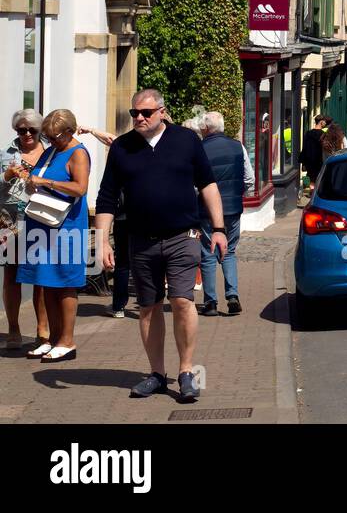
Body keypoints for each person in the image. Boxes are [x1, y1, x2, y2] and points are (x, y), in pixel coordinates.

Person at [94, 89, 227, 403]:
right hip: (141, 242)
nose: (139, 118)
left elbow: (208, 184)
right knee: (148, 308)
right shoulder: (122, 148)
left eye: (146, 113)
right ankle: (156, 373)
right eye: (134, 113)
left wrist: (219, 228)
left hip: (182, 237)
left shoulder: (186, 140)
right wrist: (102, 241)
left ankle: (185, 372)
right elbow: (107, 197)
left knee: (182, 302)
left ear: (162, 112)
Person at [16, 109, 91, 363]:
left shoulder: (78, 153)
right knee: (46, 281)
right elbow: (37, 177)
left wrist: (46, 183)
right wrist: (29, 179)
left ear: (69, 131)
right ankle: (54, 340)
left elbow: (80, 188)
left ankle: (67, 341)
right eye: (47, 137)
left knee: (66, 283)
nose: (50, 141)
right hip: (42, 224)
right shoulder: (52, 151)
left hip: (67, 227)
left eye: (54, 137)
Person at [197, 111, 253, 317]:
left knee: (208, 253)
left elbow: (194, 184)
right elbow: (249, 178)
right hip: (232, 208)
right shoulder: (238, 147)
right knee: (228, 251)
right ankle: (232, 295)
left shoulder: (200, 149)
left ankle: (210, 302)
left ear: (206, 128)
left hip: (207, 211)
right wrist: (238, 194)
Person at [3, 109, 49, 349]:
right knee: (12, 275)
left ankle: (42, 328)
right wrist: (6, 175)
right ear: (16, 130)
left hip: (42, 219)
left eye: (33, 129)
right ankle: (13, 328)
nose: (28, 134)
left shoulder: (50, 152)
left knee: (40, 276)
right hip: (11, 223)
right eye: (22, 130)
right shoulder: (6, 153)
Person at [76, 124, 130, 317]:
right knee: (146, 260)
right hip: (141, 216)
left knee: (124, 262)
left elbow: (111, 140)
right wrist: (90, 131)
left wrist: (90, 130)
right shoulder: (147, 150)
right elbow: (110, 139)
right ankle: (149, 302)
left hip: (124, 214)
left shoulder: (124, 148)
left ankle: (119, 306)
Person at [300, 115, 328, 208]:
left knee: (309, 176)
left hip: (309, 159)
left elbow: (304, 147)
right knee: (318, 178)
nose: (325, 123)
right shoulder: (323, 134)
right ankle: (314, 196)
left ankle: (309, 194)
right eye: (324, 121)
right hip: (319, 159)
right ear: (320, 122)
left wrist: (303, 160)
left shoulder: (308, 133)